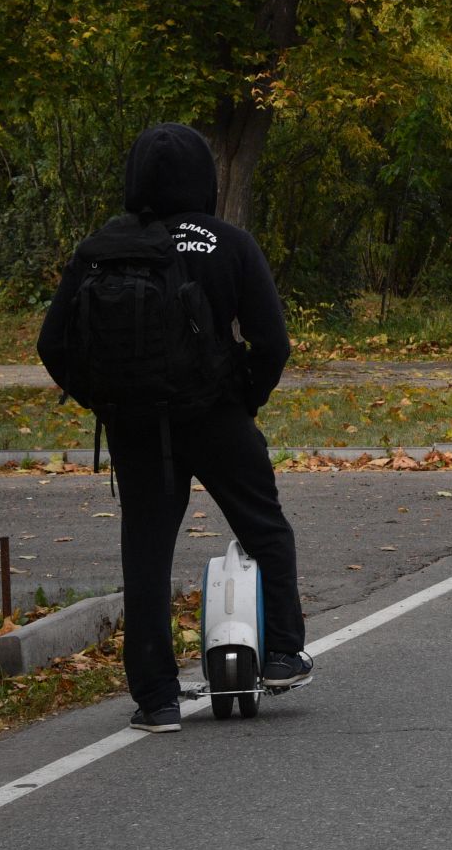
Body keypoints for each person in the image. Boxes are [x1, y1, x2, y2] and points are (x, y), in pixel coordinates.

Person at [37, 124, 308, 733]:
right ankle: (285, 652)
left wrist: (107, 402)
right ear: (205, 180)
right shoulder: (230, 242)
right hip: (216, 416)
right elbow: (273, 342)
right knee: (264, 525)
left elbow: (52, 343)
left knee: (146, 557)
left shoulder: (101, 249)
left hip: (137, 427)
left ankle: (157, 698)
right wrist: (244, 400)